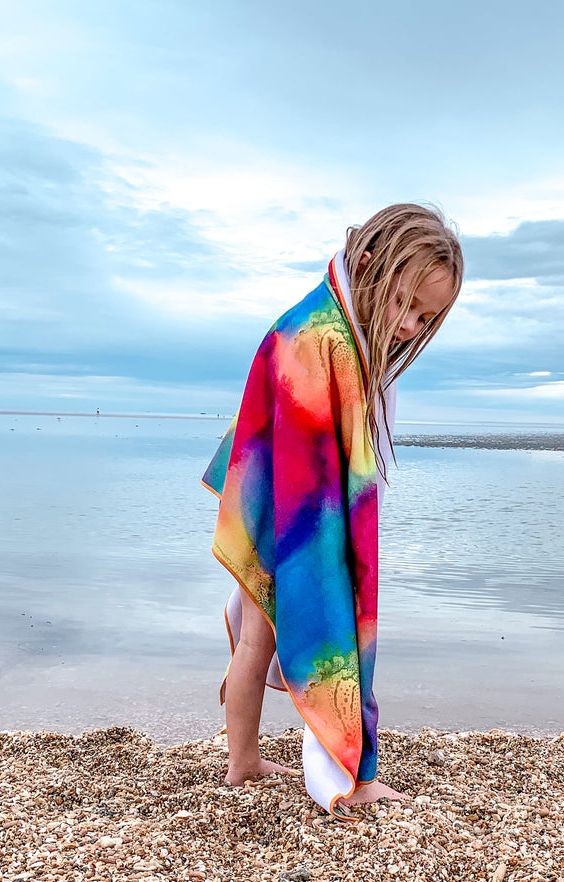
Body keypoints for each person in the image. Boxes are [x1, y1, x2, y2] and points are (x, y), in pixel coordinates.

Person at [202, 203, 464, 816]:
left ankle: (242, 762)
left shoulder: (318, 320)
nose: (408, 325)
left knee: (255, 642)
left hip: (270, 508)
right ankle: (350, 774)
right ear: (369, 266)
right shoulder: (325, 338)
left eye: (426, 317)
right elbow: (316, 467)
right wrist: (327, 553)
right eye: (404, 303)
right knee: (321, 627)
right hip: (294, 517)